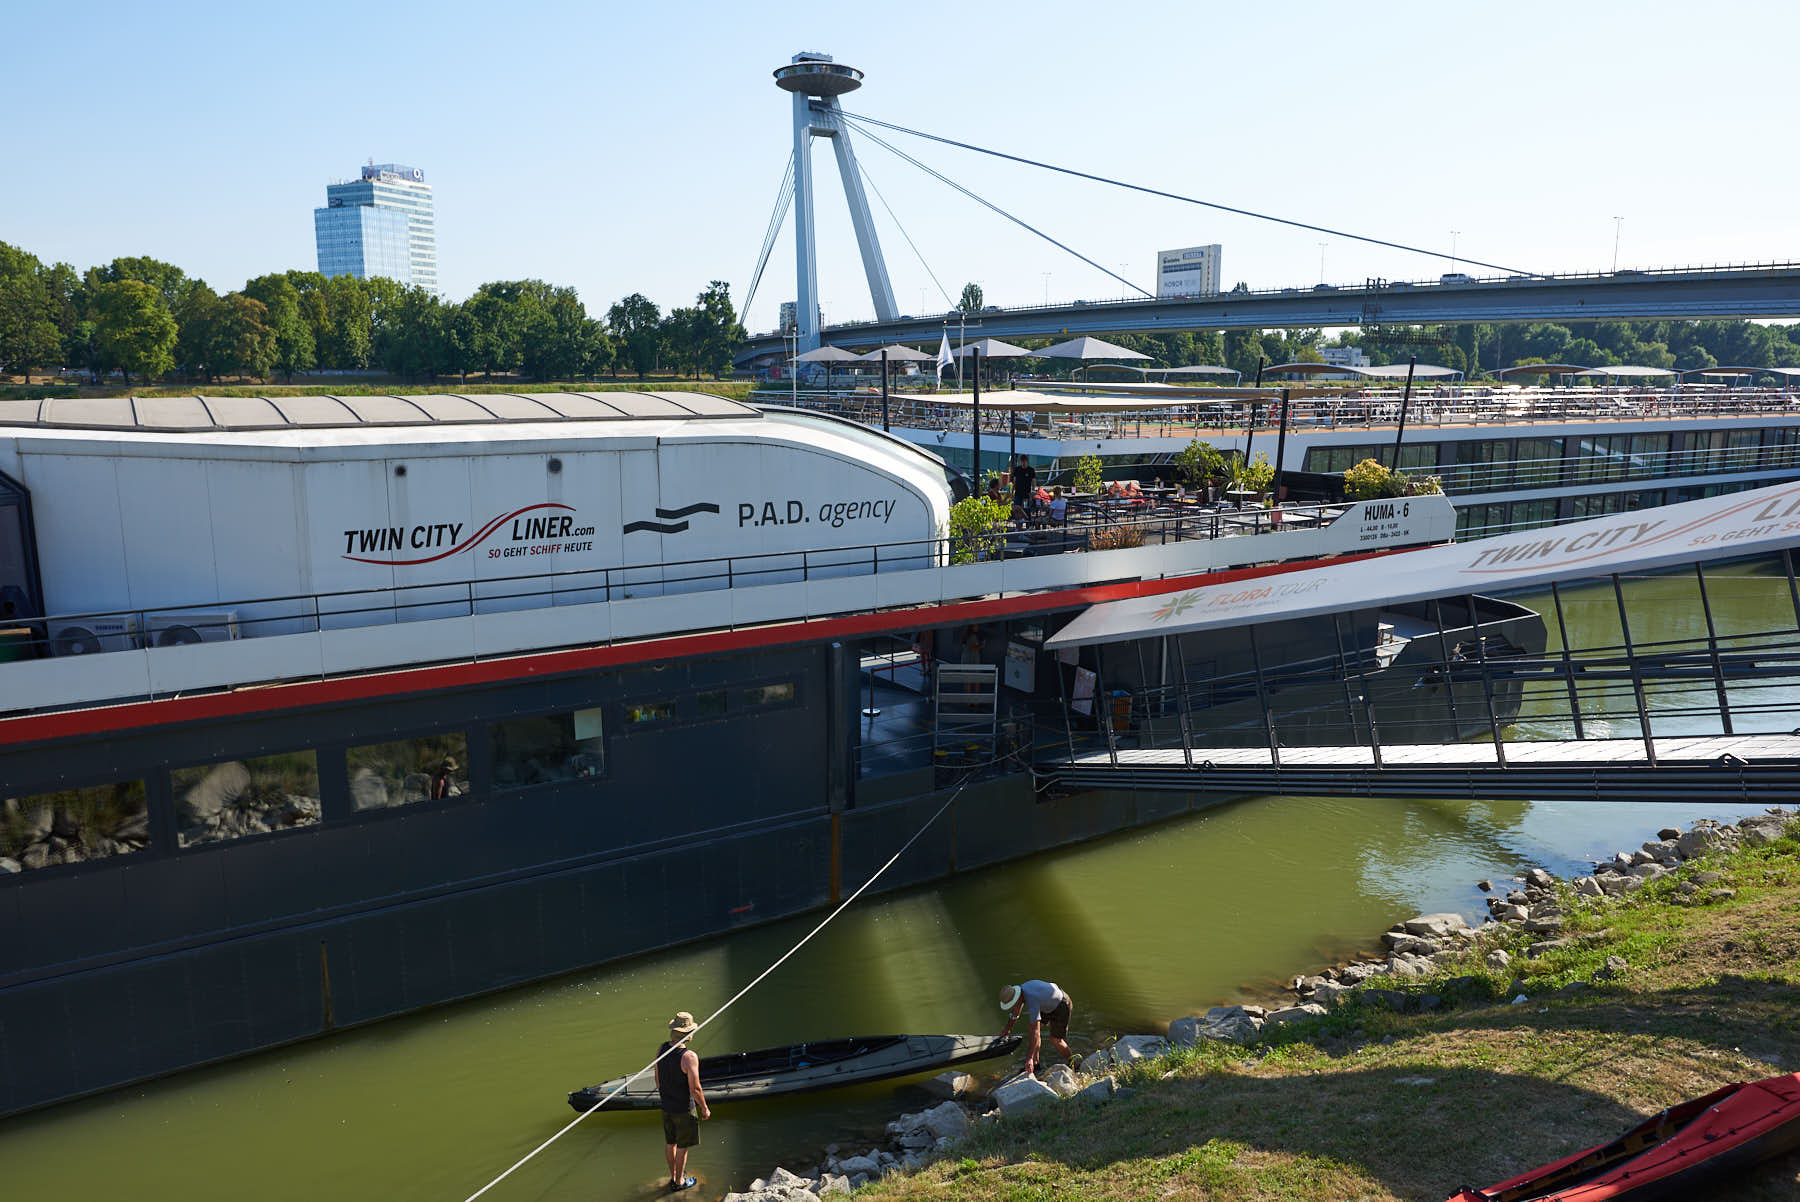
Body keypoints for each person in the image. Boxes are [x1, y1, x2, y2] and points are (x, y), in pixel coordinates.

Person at [658, 1011, 710, 1192]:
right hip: (682, 1109)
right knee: (682, 1146)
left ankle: (673, 1175)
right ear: (689, 1033)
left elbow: (657, 1078)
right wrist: (704, 1108)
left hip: (666, 1106)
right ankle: (679, 1182)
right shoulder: (689, 1057)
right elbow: (695, 1089)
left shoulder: (661, 1049)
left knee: (670, 1143)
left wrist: (666, 1097)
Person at [999, 980, 1073, 1075]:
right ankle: (1036, 1064)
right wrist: (1007, 1028)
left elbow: (1036, 1032)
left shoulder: (1031, 999)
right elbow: (1015, 1012)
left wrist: (1028, 1058)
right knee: (1031, 1029)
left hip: (1061, 1005)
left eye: (1012, 1004)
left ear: (1017, 998)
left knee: (1055, 1039)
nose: (1012, 1007)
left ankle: (1074, 1064)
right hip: (1046, 1004)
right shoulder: (1021, 992)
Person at [1012, 455, 1037, 520]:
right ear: (1020, 461)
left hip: (1027, 494)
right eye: (1022, 461)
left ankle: (1028, 523)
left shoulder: (1031, 470)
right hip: (1018, 493)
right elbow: (1014, 482)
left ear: (1027, 461)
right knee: (1017, 509)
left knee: (1027, 509)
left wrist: (1032, 494)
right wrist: (1012, 492)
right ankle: (1018, 523)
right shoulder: (1017, 469)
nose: (1023, 463)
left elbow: (1033, 482)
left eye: (1024, 461)